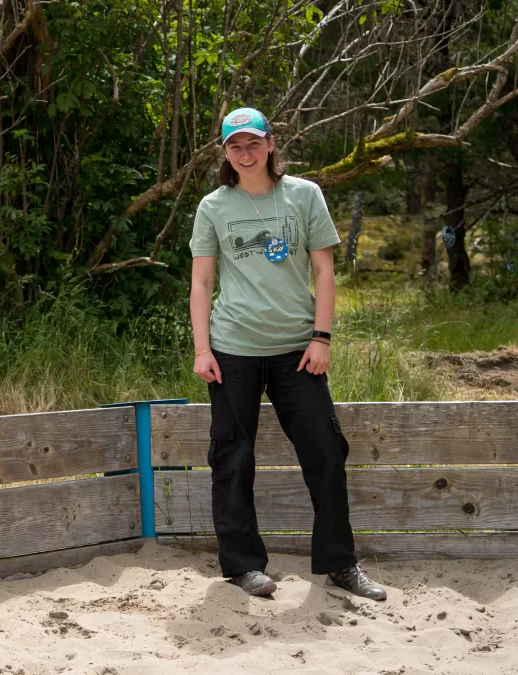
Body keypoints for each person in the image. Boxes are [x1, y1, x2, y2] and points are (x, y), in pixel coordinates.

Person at [188, 107, 386, 601]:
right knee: (232, 457)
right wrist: (202, 349)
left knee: (325, 450)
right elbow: (202, 281)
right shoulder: (214, 205)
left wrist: (322, 337)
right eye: (236, 146)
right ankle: (242, 566)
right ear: (225, 153)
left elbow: (324, 271)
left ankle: (341, 565)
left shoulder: (304, 195)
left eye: (254, 143)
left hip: (298, 351)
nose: (246, 153)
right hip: (233, 349)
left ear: (272, 144)